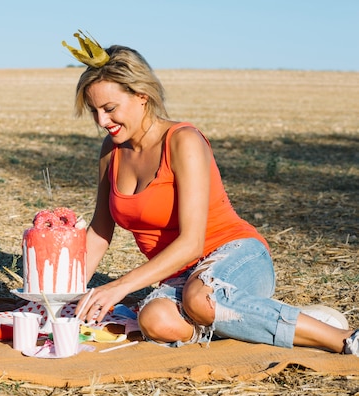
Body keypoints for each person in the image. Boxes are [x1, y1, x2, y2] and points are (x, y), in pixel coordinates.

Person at [64, 32, 359, 355]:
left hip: (235, 255)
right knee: (156, 321)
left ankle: (343, 339)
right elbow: (100, 231)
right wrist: (59, 294)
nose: (102, 121)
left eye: (109, 108)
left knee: (200, 299)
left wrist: (120, 286)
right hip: (180, 275)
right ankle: (278, 320)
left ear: (142, 96)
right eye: (94, 111)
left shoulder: (183, 141)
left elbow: (192, 242)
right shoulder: (112, 150)